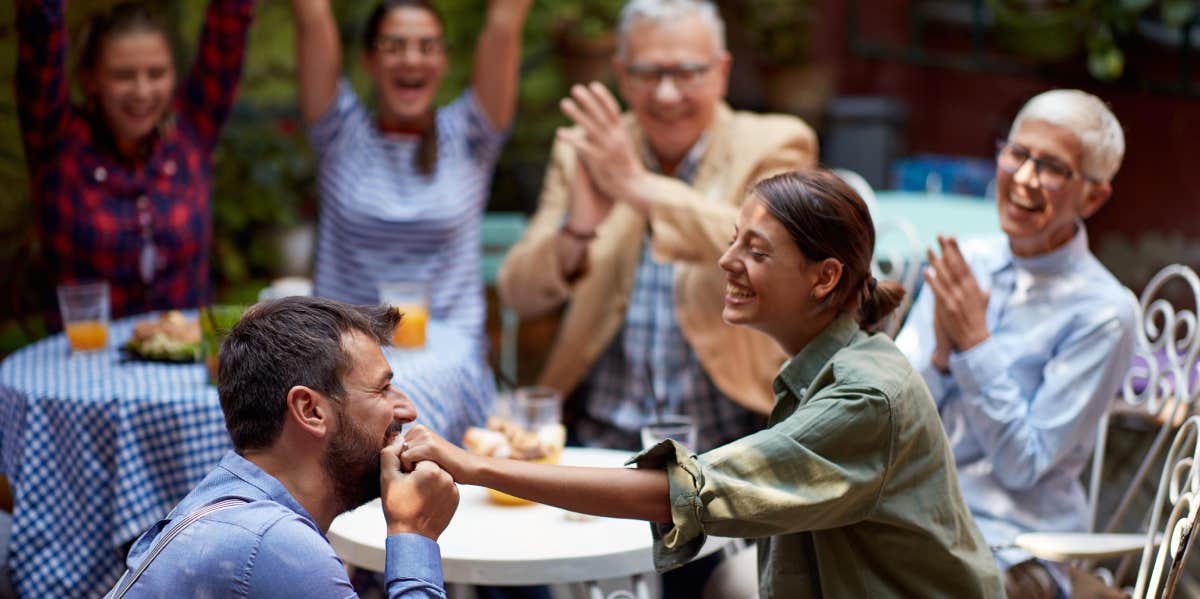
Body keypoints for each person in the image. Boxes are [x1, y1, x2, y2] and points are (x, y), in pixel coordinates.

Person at [407, 170, 1006, 598]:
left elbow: (680, 492)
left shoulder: (863, 397)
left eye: (756, 250)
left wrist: (475, 467)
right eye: (732, 240)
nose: (726, 261)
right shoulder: (827, 369)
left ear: (824, 279)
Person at [498, 0, 817, 454]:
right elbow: (518, 293)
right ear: (621, 75)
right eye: (647, 74)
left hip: (734, 445)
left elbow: (774, 247)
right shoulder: (585, 152)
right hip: (599, 441)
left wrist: (636, 186)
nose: (666, 95)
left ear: (721, 72)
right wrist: (578, 231)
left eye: (687, 73)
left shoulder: (777, 142)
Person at [895, 89, 1138, 599]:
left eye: (1052, 167)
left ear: (1092, 197)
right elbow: (893, 421)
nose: (1024, 179)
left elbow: (1024, 466)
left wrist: (974, 345)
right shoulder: (968, 263)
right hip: (913, 520)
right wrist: (941, 357)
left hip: (1014, 548)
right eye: (1018, 154)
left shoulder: (1104, 312)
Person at [110, 297, 459, 597]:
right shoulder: (273, 544)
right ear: (310, 411)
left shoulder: (236, 506)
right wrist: (413, 535)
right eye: (383, 390)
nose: (408, 410)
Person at [291, 0, 530, 348]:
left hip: (449, 354)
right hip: (345, 354)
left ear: (444, 62)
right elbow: (312, 16)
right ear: (368, 61)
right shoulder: (339, 132)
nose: (412, 59)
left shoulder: (470, 135)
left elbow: (505, 23)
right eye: (394, 46)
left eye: (427, 47)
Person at [16, 0, 253, 322]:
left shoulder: (191, 133)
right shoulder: (58, 144)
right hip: (84, 363)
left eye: (156, 74)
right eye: (123, 75)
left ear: (174, 76)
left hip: (186, 358)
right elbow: (40, 35)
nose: (142, 91)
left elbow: (228, 31)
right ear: (90, 79)